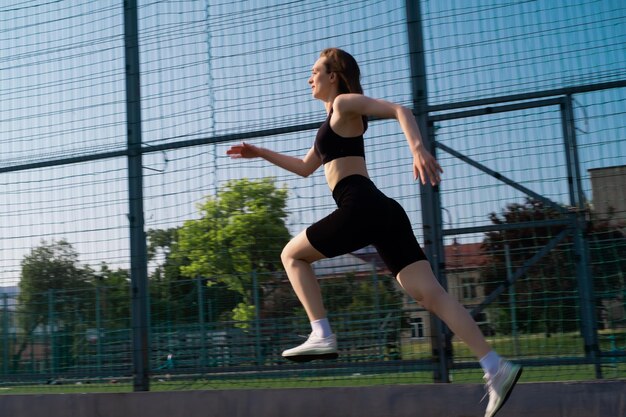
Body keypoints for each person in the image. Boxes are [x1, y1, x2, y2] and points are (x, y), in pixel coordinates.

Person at [227, 47, 522, 417]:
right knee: (431, 295)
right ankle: (496, 366)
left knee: (292, 255)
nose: (309, 78)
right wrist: (260, 152)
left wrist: (417, 148)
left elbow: (400, 109)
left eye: (315, 71)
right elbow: (304, 167)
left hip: (360, 206)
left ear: (333, 75)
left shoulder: (345, 103)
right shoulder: (330, 122)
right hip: (383, 212)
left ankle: (322, 333)